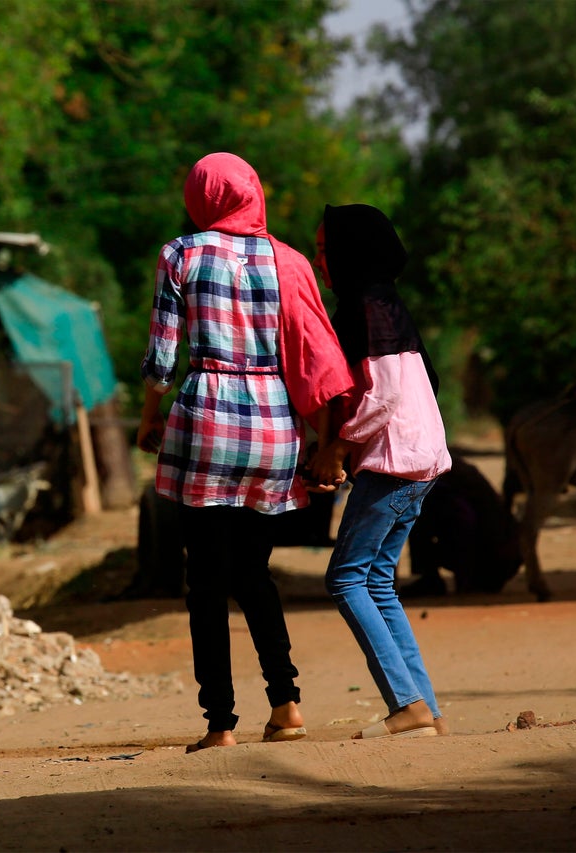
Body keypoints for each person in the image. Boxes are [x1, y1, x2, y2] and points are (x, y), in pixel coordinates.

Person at [137, 153, 353, 753]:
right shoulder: (288, 260)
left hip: (204, 418)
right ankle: (286, 704)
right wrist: (322, 435)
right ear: (253, 192)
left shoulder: (179, 254)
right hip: (272, 427)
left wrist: (151, 415)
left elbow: (162, 356)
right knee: (252, 573)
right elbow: (317, 353)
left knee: (204, 579)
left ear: (200, 196)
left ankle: (220, 723)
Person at [308, 203, 452, 739]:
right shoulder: (384, 303)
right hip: (420, 458)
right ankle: (424, 710)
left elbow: (386, 392)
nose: (320, 261)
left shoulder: (367, 308)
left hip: (394, 461)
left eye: (325, 250)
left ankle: (408, 706)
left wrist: (339, 449)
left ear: (350, 253)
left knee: (345, 578)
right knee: (377, 582)